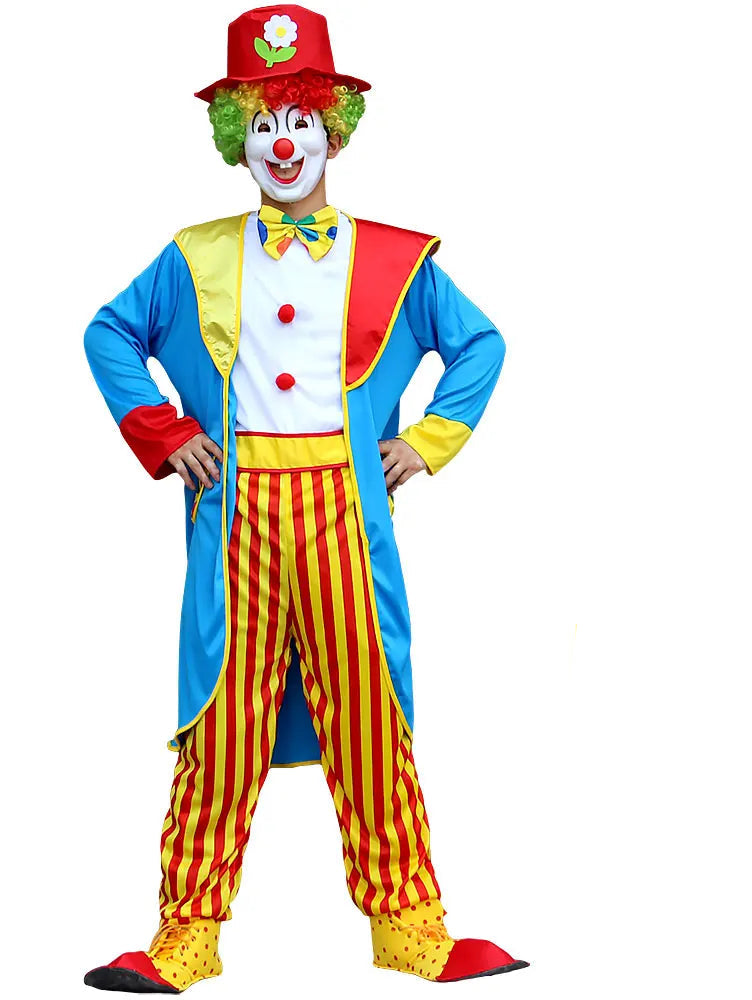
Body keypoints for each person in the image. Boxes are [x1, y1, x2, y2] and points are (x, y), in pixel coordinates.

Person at [82, 5, 524, 990]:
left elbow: (480, 345)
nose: (284, 145)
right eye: (263, 125)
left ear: (334, 130)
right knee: (220, 717)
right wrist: (167, 431)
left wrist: (426, 442)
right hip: (234, 514)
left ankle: (410, 923)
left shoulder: (395, 257)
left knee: (370, 710)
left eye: (301, 122)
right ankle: (185, 933)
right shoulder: (194, 254)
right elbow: (109, 332)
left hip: (345, 514)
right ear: (238, 141)